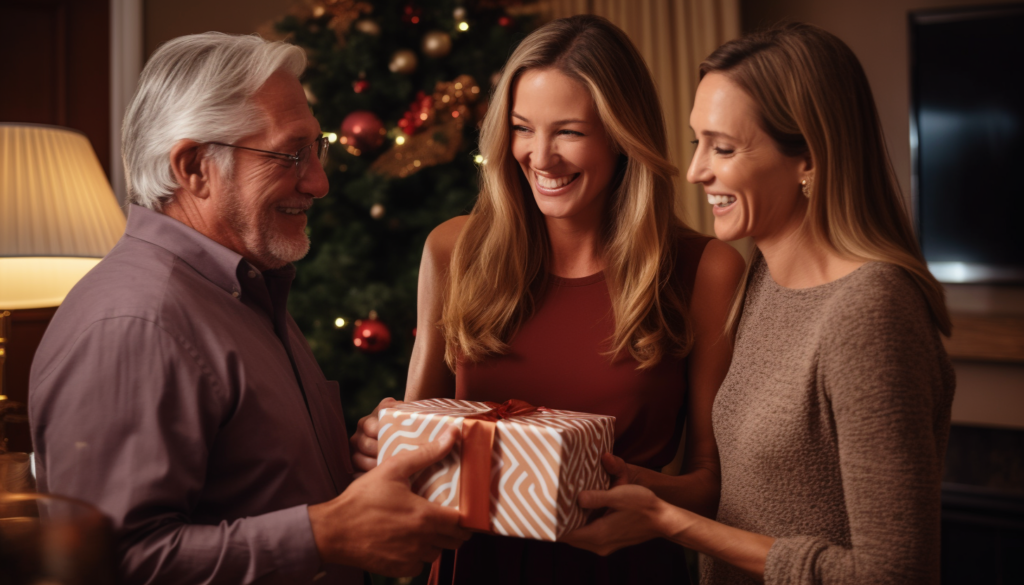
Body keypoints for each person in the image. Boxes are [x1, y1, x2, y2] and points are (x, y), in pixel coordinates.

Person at [29, 33, 470, 585]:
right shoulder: (135, 323)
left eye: (318, 149)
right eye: (290, 155)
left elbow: (260, 487)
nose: (319, 181)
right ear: (194, 167)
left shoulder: (244, 289)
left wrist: (353, 455)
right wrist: (326, 534)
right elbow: (110, 565)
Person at [349, 15, 745, 585]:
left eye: (570, 132)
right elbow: (417, 436)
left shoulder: (704, 268)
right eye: (522, 128)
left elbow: (713, 483)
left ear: (621, 137)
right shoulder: (453, 249)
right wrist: (377, 438)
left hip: (620, 569)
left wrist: (635, 489)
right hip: (471, 568)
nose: (541, 156)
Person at [563, 23, 957, 584]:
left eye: (723, 147)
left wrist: (672, 524)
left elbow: (895, 573)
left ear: (810, 159)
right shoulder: (763, 279)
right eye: (698, 140)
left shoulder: (871, 311)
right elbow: (753, 500)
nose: (697, 169)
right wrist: (644, 487)